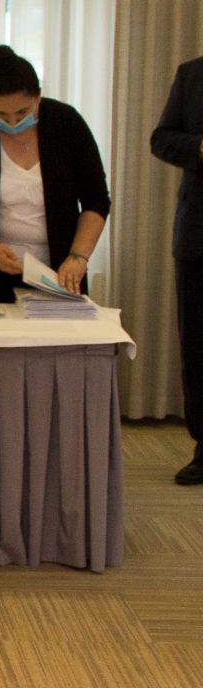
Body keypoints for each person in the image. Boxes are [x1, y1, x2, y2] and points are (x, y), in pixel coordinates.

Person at [0, 44, 109, 303]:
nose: (13, 123)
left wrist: (78, 257)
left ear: (37, 97)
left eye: (22, 113)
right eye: (2, 114)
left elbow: (96, 200)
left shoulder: (66, 124)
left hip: (58, 273)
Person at [151, 56, 203, 485]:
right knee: (198, 351)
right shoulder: (192, 74)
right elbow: (162, 139)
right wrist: (199, 147)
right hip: (198, 239)